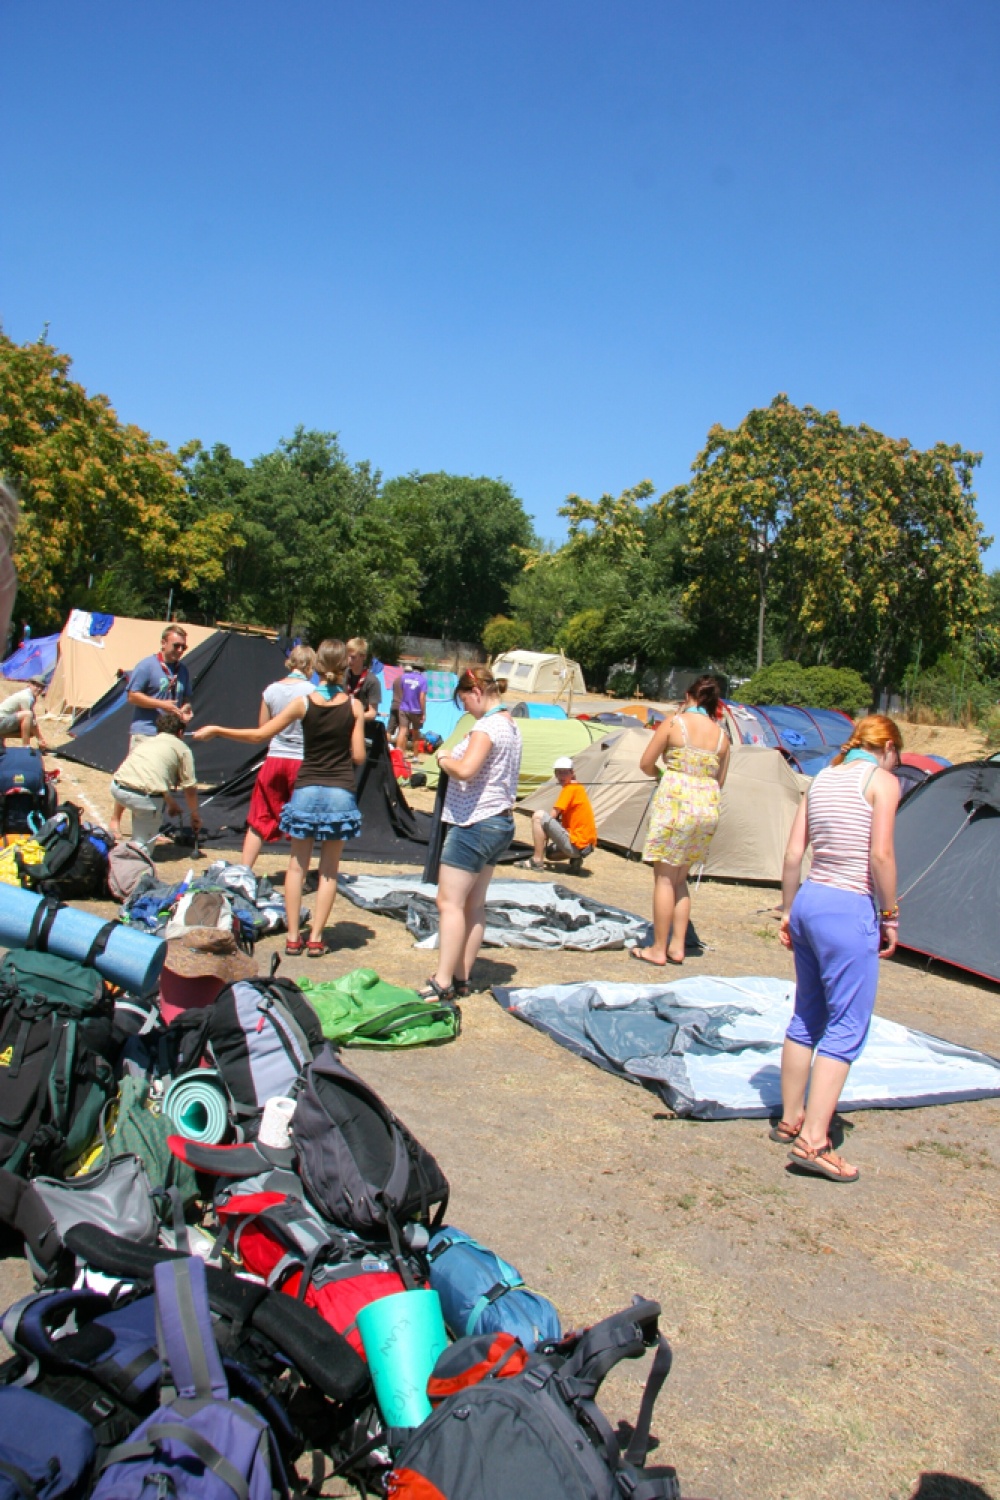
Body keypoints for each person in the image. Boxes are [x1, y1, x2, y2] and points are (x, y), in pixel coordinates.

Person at [774, 714, 902, 1184]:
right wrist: (889, 916)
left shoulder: (824, 776)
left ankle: (791, 1118)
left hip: (810, 899)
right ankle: (813, 1139)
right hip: (848, 907)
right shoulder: (882, 782)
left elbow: (793, 854)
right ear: (887, 747)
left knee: (807, 1013)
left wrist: (788, 910)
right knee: (847, 1024)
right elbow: (881, 855)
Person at [194, 639, 365, 958]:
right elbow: (357, 755)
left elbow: (260, 735)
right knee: (328, 870)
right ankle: (315, 939)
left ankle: (292, 938)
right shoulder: (353, 706)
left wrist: (218, 730)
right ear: (344, 668)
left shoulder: (304, 702)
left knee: (296, 866)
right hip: (339, 791)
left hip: (307, 787)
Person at [420, 666, 522, 1000]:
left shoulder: (487, 726)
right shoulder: (510, 724)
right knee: (474, 904)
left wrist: (444, 759)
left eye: (465, 702)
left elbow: (465, 771)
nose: (465, 710)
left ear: (476, 692)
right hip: (500, 823)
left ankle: (444, 980)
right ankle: (462, 976)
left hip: (474, 825)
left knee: (449, 902)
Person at [632, 675, 730, 968]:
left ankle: (658, 948)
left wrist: (663, 774)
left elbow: (646, 762)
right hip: (706, 806)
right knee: (680, 878)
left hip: (676, 802)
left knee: (663, 877)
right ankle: (677, 947)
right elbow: (720, 780)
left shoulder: (675, 723)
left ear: (688, 695)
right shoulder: (723, 736)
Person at [239, 645, 316, 870]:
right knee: (301, 822)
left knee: (259, 817)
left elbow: (263, 728)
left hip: (275, 757)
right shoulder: (312, 691)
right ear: (310, 666)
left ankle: (244, 870)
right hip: (302, 760)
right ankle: (297, 874)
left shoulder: (271, 690)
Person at [108, 710, 202, 850]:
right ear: (180, 733)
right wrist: (194, 816)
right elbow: (190, 789)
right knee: (141, 849)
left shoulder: (148, 741)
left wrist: (171, 803)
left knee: (138, 808)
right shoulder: (183, 750)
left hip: (117, 789)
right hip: (143, 798)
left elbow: (150, 778)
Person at [521, 756, 597, 874]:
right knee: (550, 853)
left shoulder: (570, 789)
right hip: (585, 846)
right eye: (558, 772)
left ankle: (536, 861)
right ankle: (576, 860)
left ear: (572, 772)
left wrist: (543, 831)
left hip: (577, 844)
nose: (561, 776)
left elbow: (553, 815)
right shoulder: (578, 787)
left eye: (564, 772)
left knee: (538, 816)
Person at [127, 626, 193, 749]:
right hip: (146, 733)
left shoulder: (183, 670)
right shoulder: (147, 666)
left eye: (183, 647)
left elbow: (186, 698)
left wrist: (186, 709)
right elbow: (132, 696)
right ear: (163, 643)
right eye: (176, 645)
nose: (180, 650)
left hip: (171, 734)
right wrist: (162, 704)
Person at [0, 677, 49, 750]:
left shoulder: (31, 696)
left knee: (30, 731)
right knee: (27, 715)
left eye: (42, 687)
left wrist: (39, 738)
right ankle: (25, 747)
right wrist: (40, 739)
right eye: (37, 686)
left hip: (5, 721)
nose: (39, 689)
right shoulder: (26, 697)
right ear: (30, 684)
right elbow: (30, 719)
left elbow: (33, 721)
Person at [345, 637, 382, 721]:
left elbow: (372, 713)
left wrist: (354, 717)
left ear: (363, 657)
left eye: (353, 657)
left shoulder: (372, 681)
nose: (349, 660)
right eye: (347, 656)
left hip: (362, 727)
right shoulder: (343, 676)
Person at [395, 664, 428, 756]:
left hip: (404, 707)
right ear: (421, 671)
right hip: (416, 710)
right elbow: (422, 698)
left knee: (402, 731)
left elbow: (402, 691)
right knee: (415, 732)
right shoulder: (423, 680)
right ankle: (415, 756)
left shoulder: (404, 678)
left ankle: (398, 754)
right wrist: (423, 712)